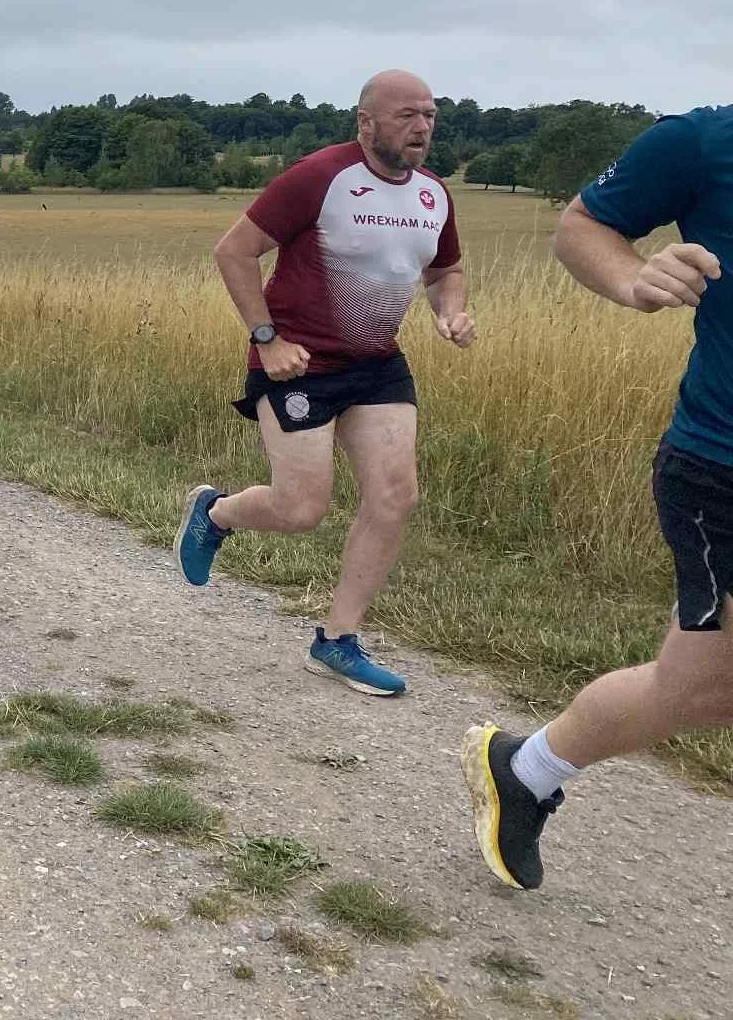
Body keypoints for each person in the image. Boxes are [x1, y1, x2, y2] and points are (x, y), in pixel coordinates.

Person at [462, 105, 732, 891]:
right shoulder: (703, 141)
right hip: (721, 470)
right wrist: (634, 279)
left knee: (697, 687)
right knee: (701, 688)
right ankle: (529, 766)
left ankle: (528, 768)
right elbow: (581, 226)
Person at [174, 70, 477, 698]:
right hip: (298, 363)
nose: (421, 127)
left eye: (430, 115)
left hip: (377, 366)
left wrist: (451, 310)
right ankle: (218, 512)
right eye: (406, 115)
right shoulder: (320, 177)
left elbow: (446, 269)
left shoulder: (433, 195)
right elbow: (234, 251)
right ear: (366, 123)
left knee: (396, 495)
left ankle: (337, 640)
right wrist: (267, 339)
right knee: (301, 509)